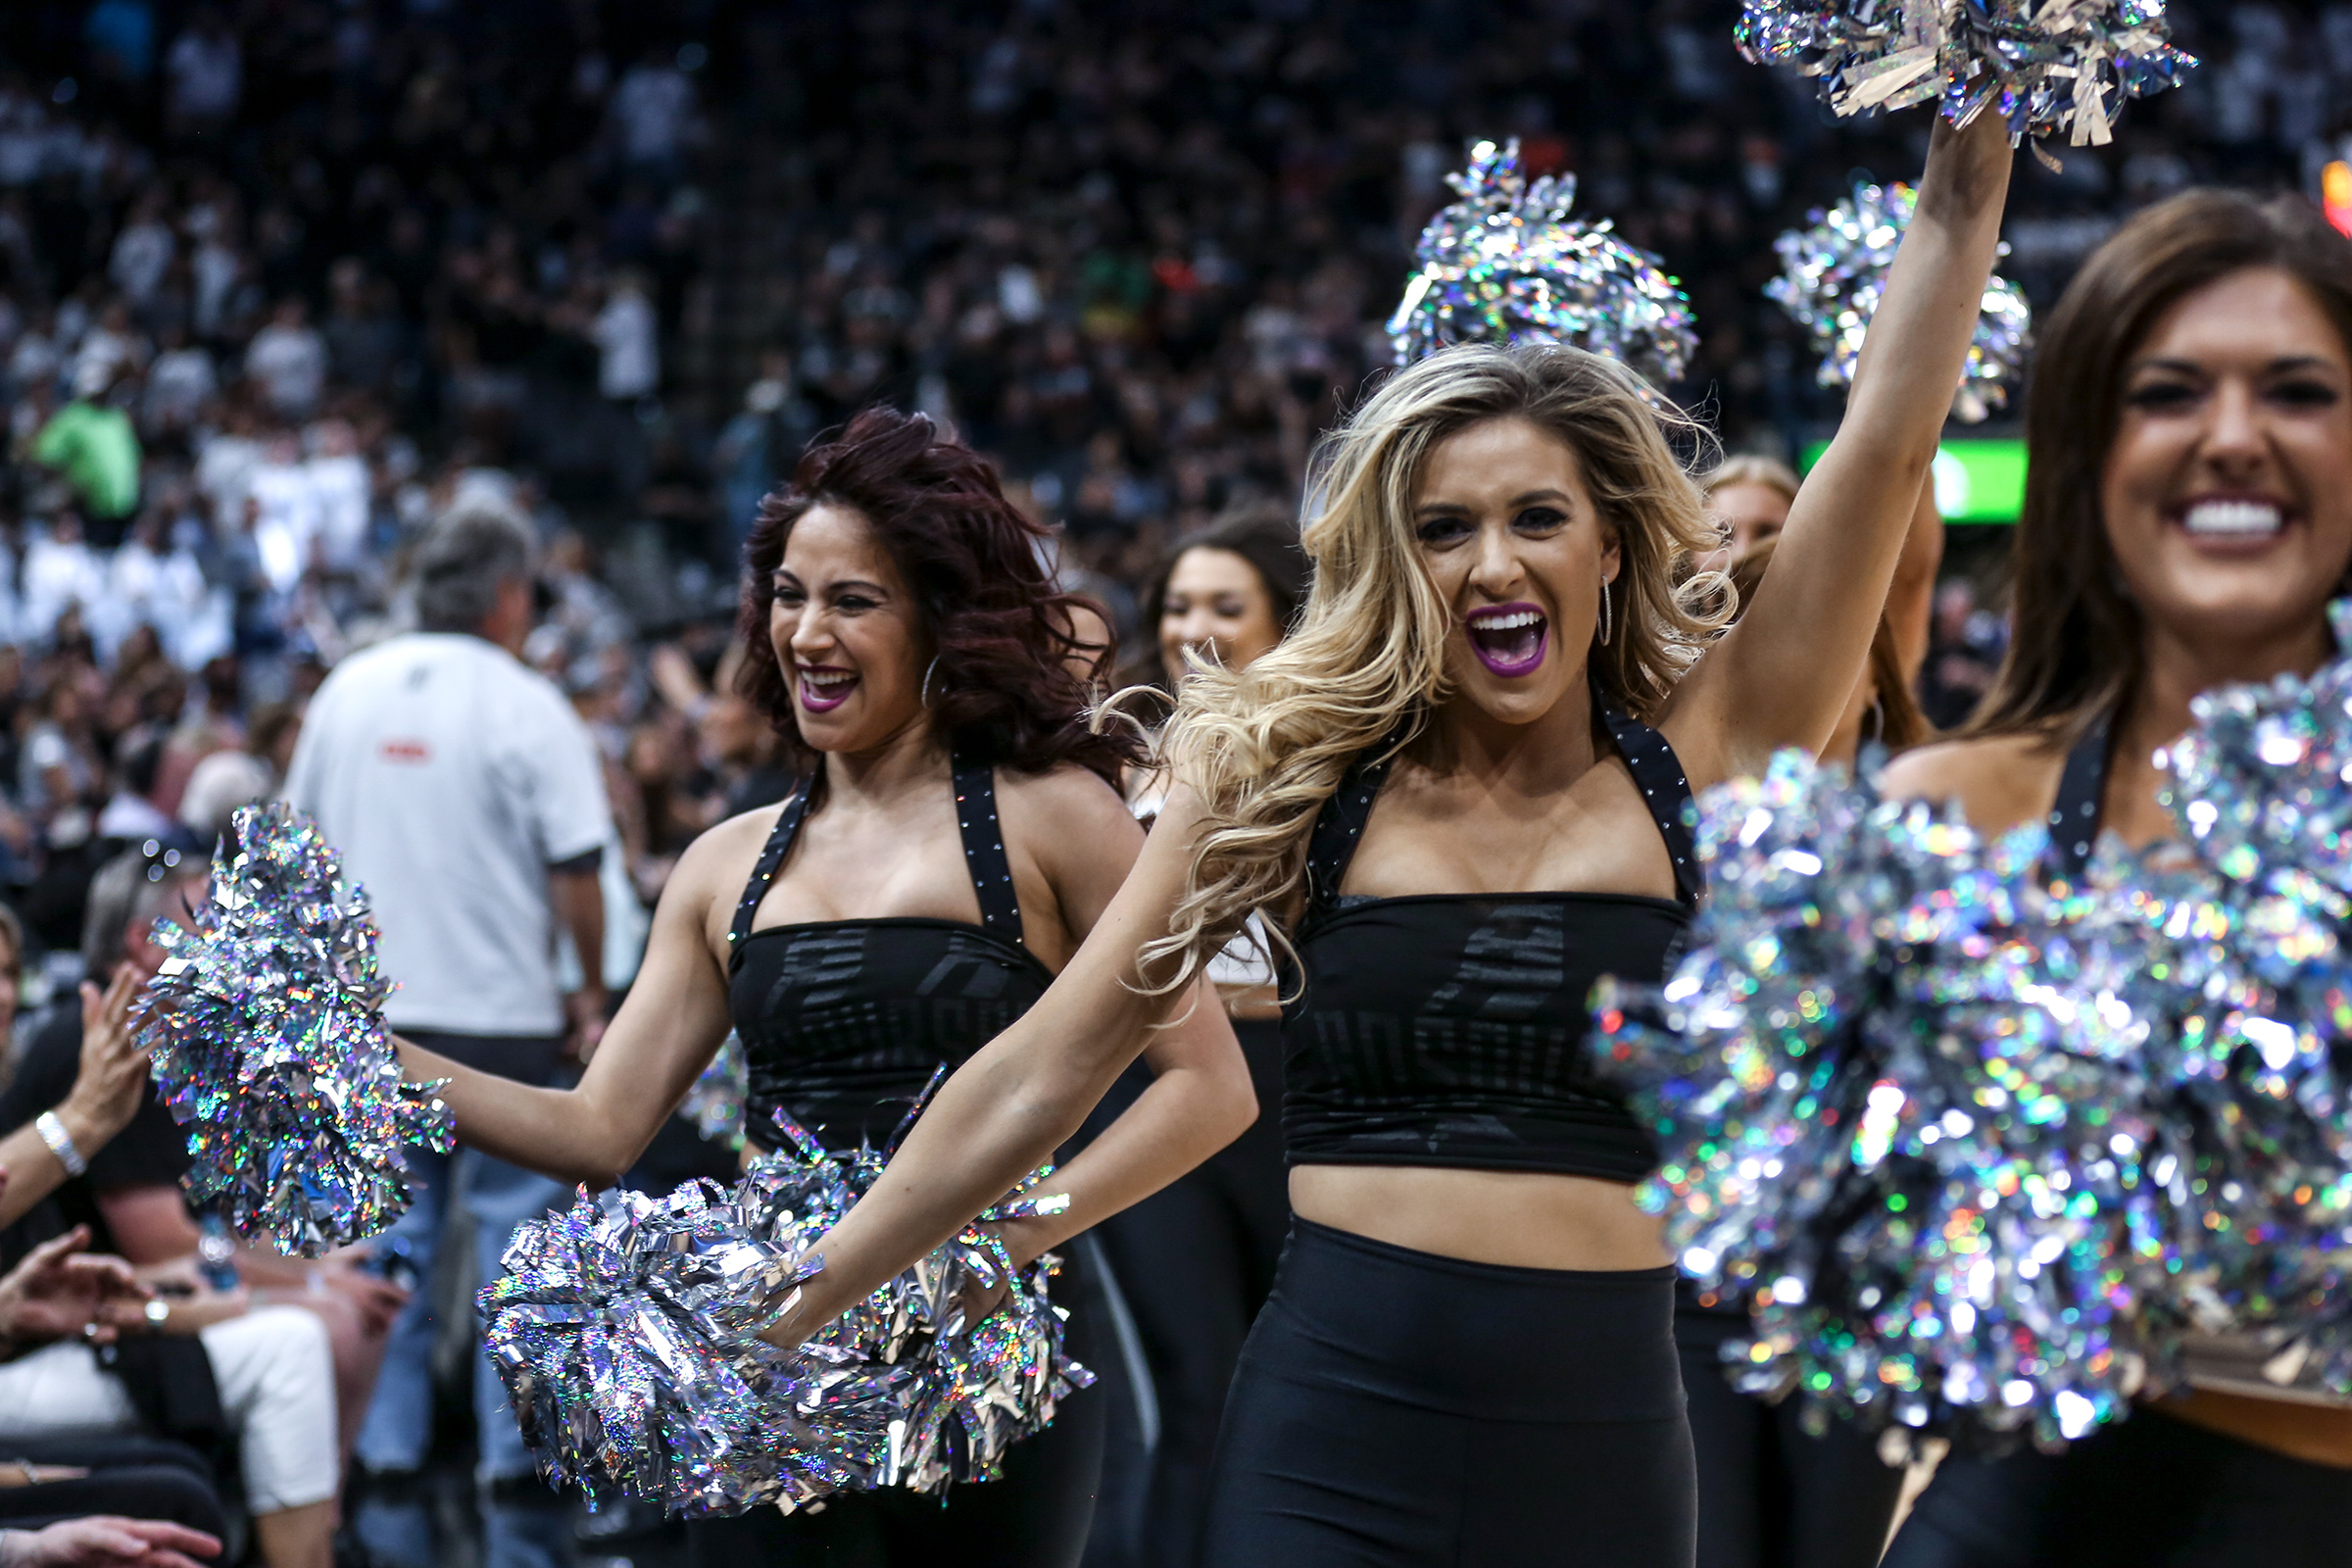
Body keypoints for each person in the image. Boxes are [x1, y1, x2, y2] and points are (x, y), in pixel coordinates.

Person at [745, 114, 2013, 1566]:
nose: (1492, 564)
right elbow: (1049, 1061)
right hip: (1330, 1442)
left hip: (1599, 1455)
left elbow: (1888, 439)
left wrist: (1972, 144)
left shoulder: (1707, 759)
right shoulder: (1290, 778)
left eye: (1538, 517)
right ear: (1392, 563)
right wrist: (805, 1289)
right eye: (1443, 528)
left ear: (1610, 545)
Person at [385, 408, 1253, 1567]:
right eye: (789, 596)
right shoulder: (723, 864)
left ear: (938, 618)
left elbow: (1208, 1087)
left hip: (989, 1364)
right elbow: (595, 1128)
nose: (806, 632)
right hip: (774, 1360)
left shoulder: (1054, 817)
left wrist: (1000, 1240)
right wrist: (374, 1060)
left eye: (853, 600)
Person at [1877, 191, 2352, 1566]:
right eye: (2168, 393)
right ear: (2092, 456)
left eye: (2298, 391)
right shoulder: (1950, 815)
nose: (2233, 435)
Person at [281, 499, 612, 1509]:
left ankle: (380, 1459)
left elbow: (291, 858)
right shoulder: (529, 703)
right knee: (519, 1260)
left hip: (369, 1028)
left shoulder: (344, 692)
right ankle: (512, 1469)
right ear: (508, 594)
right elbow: (579, 870)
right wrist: (589, 991)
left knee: (385, 1252)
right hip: (504, 1025)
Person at [0, 848, 408, 1464]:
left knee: (355, 1282)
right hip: (107, 1307)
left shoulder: (186, 1043)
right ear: (144, 943)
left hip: (147, 1290)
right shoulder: (104, 1042)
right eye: (213, 926)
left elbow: (226, 1216)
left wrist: (321, 1263)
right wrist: (313, 1282)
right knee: (331, 1319)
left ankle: (327, 1511)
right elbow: (161, 1244)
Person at [1091, 504, 1310, 1568]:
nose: (1193, 628)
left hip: (1292, 1083)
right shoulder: (1121, 761)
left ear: (1285, 620)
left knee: (1292, 1380)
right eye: (1178, 606)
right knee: (1193, 1378)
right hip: (1155, 1085)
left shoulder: (1328, 748)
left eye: (1226, 605)